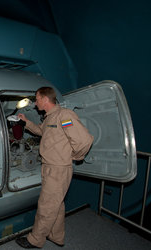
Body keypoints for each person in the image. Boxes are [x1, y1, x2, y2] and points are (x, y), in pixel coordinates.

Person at [15, 87, 93, 248]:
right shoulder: (50, 117)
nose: (35, 103)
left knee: (46, 205)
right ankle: (56, 236)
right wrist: (26, 122)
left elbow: (84, 140)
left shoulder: (64, 116)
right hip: (49, 166)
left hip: (58, 169)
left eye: (37, 99)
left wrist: (76, 157)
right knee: (56, 205)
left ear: (45, 99)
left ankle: (35, 240)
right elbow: (42, 131)